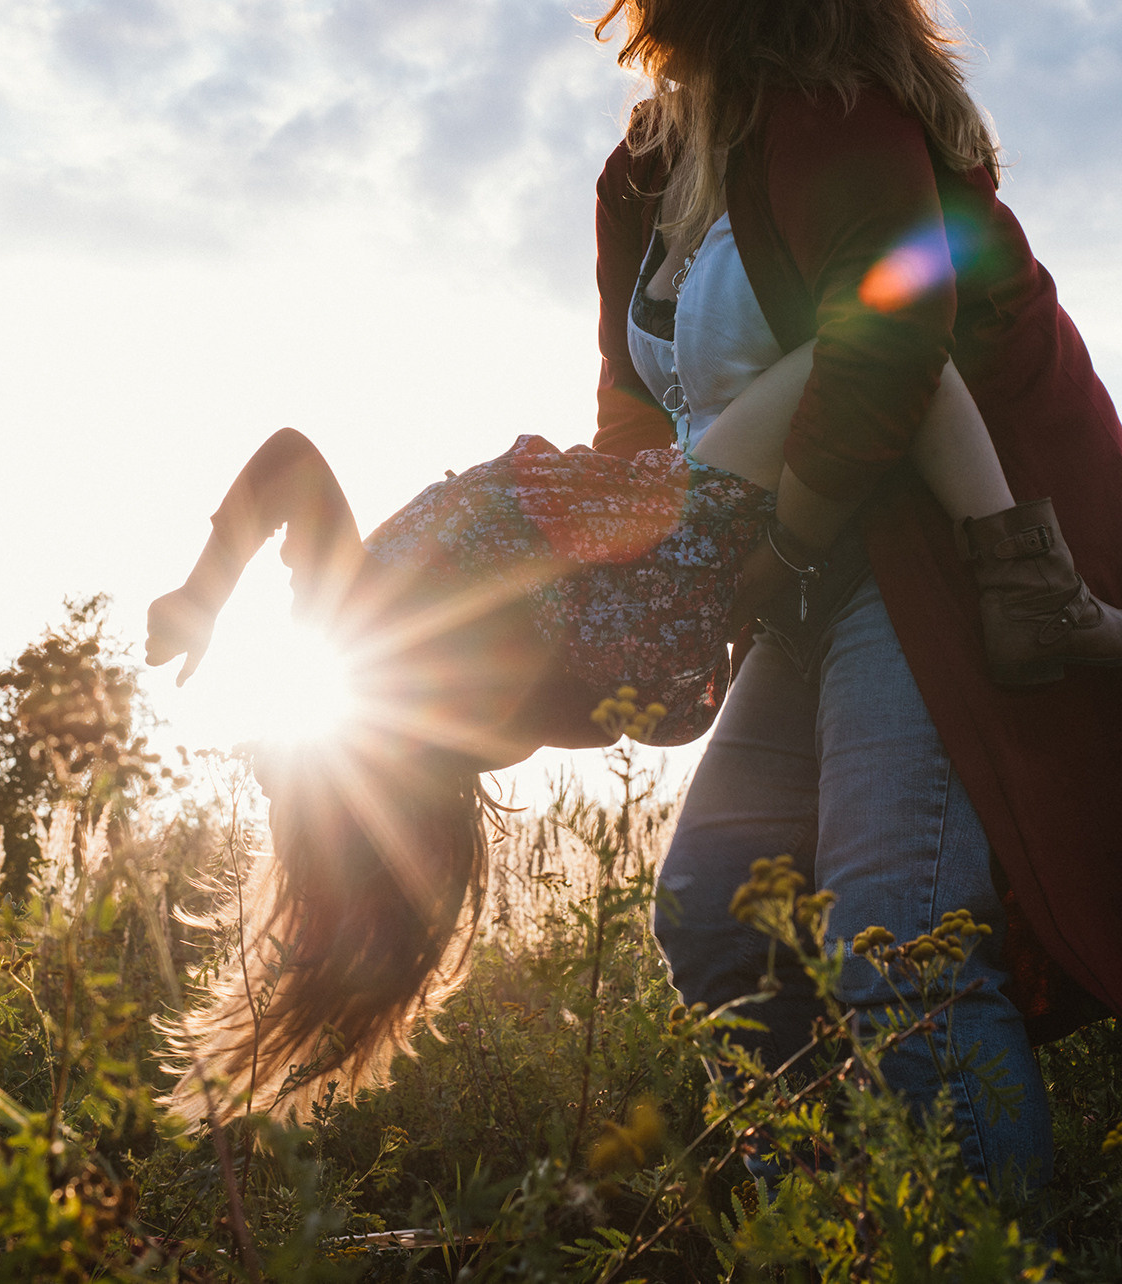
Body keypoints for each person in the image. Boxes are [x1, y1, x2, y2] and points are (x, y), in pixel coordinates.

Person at [508, 0, 1122, 1192]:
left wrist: (769, 544)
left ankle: (979, 1248)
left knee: (898, 926)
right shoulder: (645, 172)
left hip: (949, 535)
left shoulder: (838, 115)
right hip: (806, 549)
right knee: (717, 919)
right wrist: (610, 561)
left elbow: (896, 336)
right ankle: (839, 1213)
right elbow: (637, 405)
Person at [148, 347, 1114, 1121]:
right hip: (682, 521)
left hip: (679, 554)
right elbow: (290, 461)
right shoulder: (366, 641)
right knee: (886, 347)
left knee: (885, 373)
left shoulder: (448, 722)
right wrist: (201, 594)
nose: (265, 770)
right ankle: (1043, 596)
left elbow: (622, 697)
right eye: (285, 796)